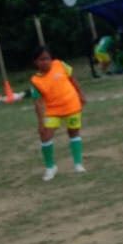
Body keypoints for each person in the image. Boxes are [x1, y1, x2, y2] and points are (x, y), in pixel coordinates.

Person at [29, 46, 87, 182]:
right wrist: (40, 123)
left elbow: (72, 79)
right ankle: (50, 167)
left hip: (71, 104)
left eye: (47, 58)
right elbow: (38, 103)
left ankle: (78, 164)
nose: (45, 62)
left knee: (73, 132)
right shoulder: (35, 81)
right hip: (52, 110)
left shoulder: (60, 65)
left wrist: (80, 93)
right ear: (36, 62)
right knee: (45, 136)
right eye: (41, 59)